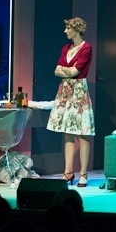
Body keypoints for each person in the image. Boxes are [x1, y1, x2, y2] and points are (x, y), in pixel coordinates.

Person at [47, 17, 95, 187]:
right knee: (67, 133)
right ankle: (68, 172)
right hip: (65, 91)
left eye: (68, 28)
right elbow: (56, 70)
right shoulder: (66, 48)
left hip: (79, 91)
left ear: (76, 30)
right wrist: (68, 71)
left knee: (82, 133)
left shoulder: (86, 47)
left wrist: (66, 70)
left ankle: (83, 173)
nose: (65, 31)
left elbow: (76, 71)